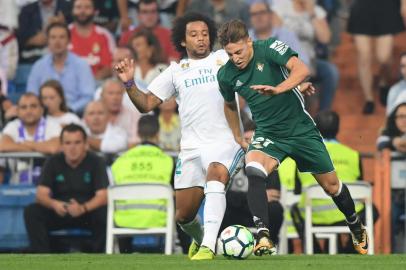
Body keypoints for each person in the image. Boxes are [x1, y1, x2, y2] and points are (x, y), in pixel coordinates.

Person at [216, 19, 369, 255]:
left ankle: (355, 224)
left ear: (249, 41)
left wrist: (282, 88)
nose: (235, 58)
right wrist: (238, 135)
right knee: (254, 168)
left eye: (239, 51)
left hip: (300, 130)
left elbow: (302, 69)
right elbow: (229, 104)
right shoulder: (226, 75)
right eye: (230, 54)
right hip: (268, 132)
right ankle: (263, 235)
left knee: (331, 187)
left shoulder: (268, 48)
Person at [114, 12, 245, 260]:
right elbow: (146, 104)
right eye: (194, 35)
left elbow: (253, 60)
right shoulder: (175, 71)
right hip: (191, 148)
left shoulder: (223, 59)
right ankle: (200, 238)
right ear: (183, 41)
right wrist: (130, 84)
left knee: (216, 176)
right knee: (184, 216)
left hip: (225, 141)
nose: (201, 39)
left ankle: (209, 246)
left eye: (205, 34)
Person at [24, 123, 109, 253]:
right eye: (68, 143)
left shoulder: (97, 162)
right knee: (32, 212)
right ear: (62, 145)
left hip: (87, 211)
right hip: (60, 211)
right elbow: (41, 194)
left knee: (104, 213)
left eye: (77, 143)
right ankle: (42, 260)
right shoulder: (53, 161)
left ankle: (99, 259)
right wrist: (54, 204)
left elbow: (103, 196)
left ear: (86, 144)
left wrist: (83, 208)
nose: (72, 148)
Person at [111, 115, 174, 253]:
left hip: (124, 220)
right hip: (159, 218)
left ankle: (124, 255)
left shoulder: (120, 160)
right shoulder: (167, 160)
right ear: (158, 133)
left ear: (138, 133)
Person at [347, 0, 406, 114]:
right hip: (361, 7)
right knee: (364, 56)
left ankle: (383, 82)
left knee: (384, 58)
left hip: (387, 7)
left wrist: (403, 5)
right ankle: (369, 99)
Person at [26, 22, 95, 115]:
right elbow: (32, 95)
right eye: (53, 37)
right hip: (43, 115)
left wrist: (69, 110)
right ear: (48, 41)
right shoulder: (38, 66)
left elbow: (88, 96)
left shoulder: (81, 65)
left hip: (75, 115)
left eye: (62, 37)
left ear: (69, 40)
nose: (57, 41)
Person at [0, 93, 61, 184]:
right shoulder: (12, 126)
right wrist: (40, 147)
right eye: (24, 107)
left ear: (41, 109)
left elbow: (54, 148)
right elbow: (3, 146)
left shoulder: (53, 125)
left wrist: (26, 144)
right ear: (17, 111)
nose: (29, 111)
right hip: (16, 190)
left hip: (48, 189)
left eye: (33, 106)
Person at [69, 0, 116, 81]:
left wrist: (91, 82)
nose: (82, 11)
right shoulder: (64, 34)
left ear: (95, 11)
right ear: (72, 10)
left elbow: (110, 67)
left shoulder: (104, 35)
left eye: (87, 7)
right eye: (78, 7)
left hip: (98, 84)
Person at [99, 78, 141, 146]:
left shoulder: (133, 115)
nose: (115, 98)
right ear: (102, 95)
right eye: (111, 93)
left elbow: (135, 141)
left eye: (119, 93)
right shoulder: (94, 113)